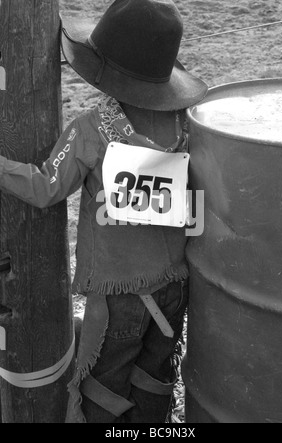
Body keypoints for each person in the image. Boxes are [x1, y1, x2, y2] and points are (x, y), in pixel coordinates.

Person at [0, 0, 207, 423]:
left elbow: (44, 188)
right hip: (174, 287)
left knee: (101, 384)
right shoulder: (189, 127)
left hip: (117, 297)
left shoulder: (92, 130)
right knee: (156, 373)